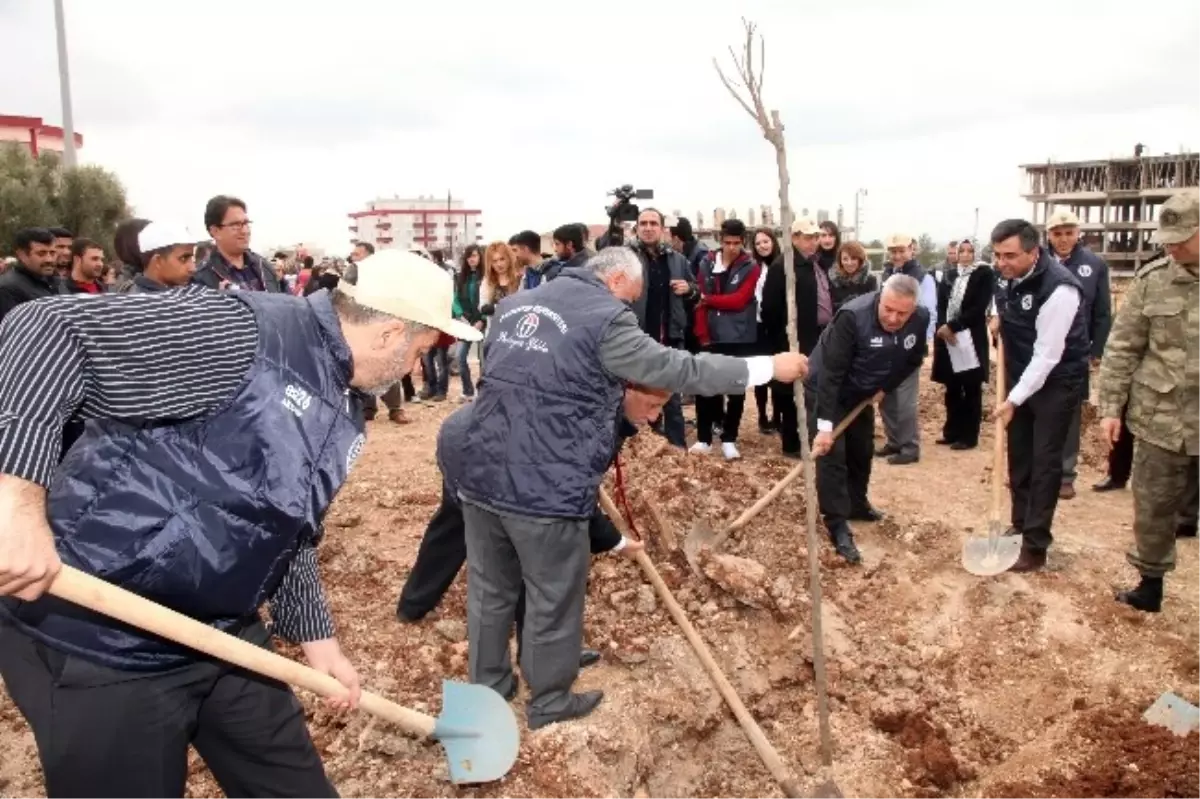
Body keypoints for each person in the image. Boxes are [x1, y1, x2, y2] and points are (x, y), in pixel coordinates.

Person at [0, 249, 480, 798]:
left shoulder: (344, 401)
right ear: (390, 333)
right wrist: (15, 501)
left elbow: (286, 524)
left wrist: (317, 637)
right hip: (100, 640)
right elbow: (45, 328)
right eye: (420, 351)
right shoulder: (243, 332)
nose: (419, 367)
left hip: (224, 636)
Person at [457, 246, 807, 730]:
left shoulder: (516, 305)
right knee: (553, 592)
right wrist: (765, 368)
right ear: (618, 279)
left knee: (491, 591)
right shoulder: (605, 318)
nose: (632, 309)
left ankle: (490, 687)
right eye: (634, 298)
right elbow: (677, 369)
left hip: (480, 472)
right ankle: (550, 698)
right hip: (545, 484)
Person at [396, 386, 666, 649]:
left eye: (661, 408)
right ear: (627, 390)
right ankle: (543, 655)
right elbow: (573, 499)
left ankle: (413, 605)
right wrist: (615, 541)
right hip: (483, 450)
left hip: (466, 432)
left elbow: (570, 479)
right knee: (537, 548)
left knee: (455, 522)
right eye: (652, 405)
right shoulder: (593, 417)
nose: (655, 417)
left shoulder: (599, 399)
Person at [1097, 189, 1200, 612]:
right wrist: (1109, 408)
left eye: (1182, 235)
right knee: (1154, 503)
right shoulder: (1152, 280)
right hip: (1163, 417)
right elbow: (1122, 348)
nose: (1171, 244)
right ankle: (1150, 584)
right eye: (1168, 236)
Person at [988, 219, 1089, 573]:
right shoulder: (1006, 275)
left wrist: (1013, 399)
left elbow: (1047, 355)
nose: (1002, 263)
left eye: (1011, 256)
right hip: (1021, 377)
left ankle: (1035, 546)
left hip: (1057, 381)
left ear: (1034, 252)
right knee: (1020, 456)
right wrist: (997, 319)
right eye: (997, 255)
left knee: (1045, 462)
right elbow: (1005, 303)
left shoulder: (1060, 289)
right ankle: (1019, 524)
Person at [807, 275, 930, 563]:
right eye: (888, 309)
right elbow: (831, 374)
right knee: (832, 456)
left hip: (862, 392)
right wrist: (824, 428)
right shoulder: (852, 317)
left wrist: (884, 388)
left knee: (862, 449)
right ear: (879, 299)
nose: (894, 318)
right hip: (828, 389)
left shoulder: (919, 319)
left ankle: (857, 504)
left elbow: (913, 359)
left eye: (902, 313)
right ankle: (836, 523)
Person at [1044, 210, 1113, 500]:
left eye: (1068, 233)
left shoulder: (1094, 265)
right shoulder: (1039, 263)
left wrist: (1095, 350)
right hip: (1041, 351)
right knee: (1036, 410)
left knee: (1069, 414)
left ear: (1078, 233)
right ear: (1048, 235)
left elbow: (1102, 312)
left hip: (1075, 353)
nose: (1063, 239)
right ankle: (1039, 472)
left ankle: (1065, 474)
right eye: (1057, 233)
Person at [761, 217, 834, 458]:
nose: (813, 242)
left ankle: (806, 438)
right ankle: (791, 443)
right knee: (791, 393)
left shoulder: (814, 263)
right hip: (794, 339)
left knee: (809, 390)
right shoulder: (784, 266)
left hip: (816, 337)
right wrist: (782, 340)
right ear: (794, 238)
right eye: (807, 237)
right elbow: (770, 309)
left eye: (815, 237)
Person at [628, 208, 699, 450]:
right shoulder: (626, 258)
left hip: (669, 338)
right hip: (635, 340)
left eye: (653, 223)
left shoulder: (678, 260)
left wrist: (688, 290)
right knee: (636, 397)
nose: (648, 227)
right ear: (637, 227)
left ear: (662, 229)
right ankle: (639, 448)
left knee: (672, 399)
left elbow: (697, 294)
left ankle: (678, 449)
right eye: (643, 223)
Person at [691, 219, 761, 460]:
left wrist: (708, 299)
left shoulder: (751, 266)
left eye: (737, 243)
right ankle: (704, 438)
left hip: (738, 335)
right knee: (705, 386)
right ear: (721, 241)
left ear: (743, 242)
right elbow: (698, 301)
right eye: (728, 242)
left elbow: (739, 300)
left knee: (736, 388)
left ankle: (730, 439)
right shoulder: (706, 262)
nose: (732, 247)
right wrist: (702, 333)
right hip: (710, 333)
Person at [877, 234, 937, 466]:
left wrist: (923, 341)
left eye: (902, 250)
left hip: (908, 345)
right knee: (886, 398)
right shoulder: (888, 275)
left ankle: (910, 446)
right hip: (887, 345)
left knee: (905, 401)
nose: (897, 255)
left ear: (912, 250)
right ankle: (894, 440)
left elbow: (928, 312)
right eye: (893, 251)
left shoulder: (923, 279)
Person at [931, 239, 994, 450]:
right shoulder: (949, 275)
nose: (965, 255)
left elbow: (978, 308)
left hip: (969, 337)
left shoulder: (984, 274)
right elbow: (940, 304)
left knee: (971, 388)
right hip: (947, 337)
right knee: (952, 387)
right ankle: (952, 431)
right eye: (962, 251)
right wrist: (943, 326)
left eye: (970, 251)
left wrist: (955, 325)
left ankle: (969, 436)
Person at [192, 195, 281, 292]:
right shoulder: (201, 279)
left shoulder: (265, 267)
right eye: (236, 225)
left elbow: (288, 302)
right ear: (215, 231)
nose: (244, 231)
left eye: (246, 223)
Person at [113, 219, 201, 292]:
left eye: (192, 258)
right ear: (158, 261)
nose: (193, 268)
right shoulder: (135, 302)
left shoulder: (194, 292)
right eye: (183, 259)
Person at [751, 227, 783, 434]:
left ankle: (778, 416)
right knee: (761, 373)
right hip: (759, 326)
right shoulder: (754, 267)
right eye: (758, 243)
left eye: (765, 241)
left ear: (773, 241)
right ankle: (762, 415)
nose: (762, 246)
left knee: (779, 372)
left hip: (779, 326)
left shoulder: (782, 264)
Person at [0, 228, 59, 323]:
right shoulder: (8, 289)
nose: (49, 259)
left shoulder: (57, 282)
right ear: (22, 255)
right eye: (41, 254)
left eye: (53, 253)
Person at [453, 244, 485, 401]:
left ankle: (483, 392)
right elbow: (455, 299)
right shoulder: (460, 277)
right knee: (460, 357)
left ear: (480, 257)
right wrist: (460, 315)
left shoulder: (486, 276)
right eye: (469, 256)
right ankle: (467, 390)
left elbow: (489, 299)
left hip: (483, 322)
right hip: (465, 322)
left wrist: (482, 320)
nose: (472, 259)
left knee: (483, 359)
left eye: (475, 255)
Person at [829, 240, 878, 311]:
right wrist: (844, 304)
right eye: (845, 259)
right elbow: (829, 306)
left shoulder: (870, 280)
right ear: (840, 261)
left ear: (860, 259)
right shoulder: (834, 280)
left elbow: (873, 307)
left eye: (853, 258)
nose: (849, 263)